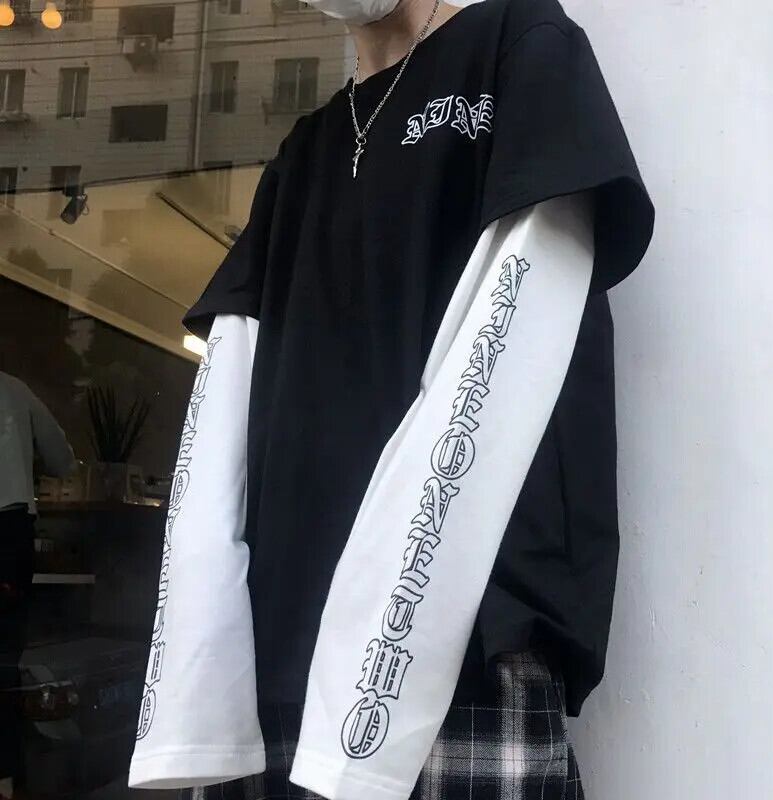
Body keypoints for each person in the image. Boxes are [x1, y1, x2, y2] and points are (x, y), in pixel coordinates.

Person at [129, 0, 655, 798]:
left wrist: (395, 623)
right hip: (280, 660)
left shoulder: (519, 44)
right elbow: (227, 404)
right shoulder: (304, 151)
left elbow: (523, 328)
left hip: (458, 650)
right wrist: (201, 676)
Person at [0, 371, 75, 800]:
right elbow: (62, 458)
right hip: (8, 530)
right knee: (5, 653)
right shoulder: (14, 389)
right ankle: (6, 777)